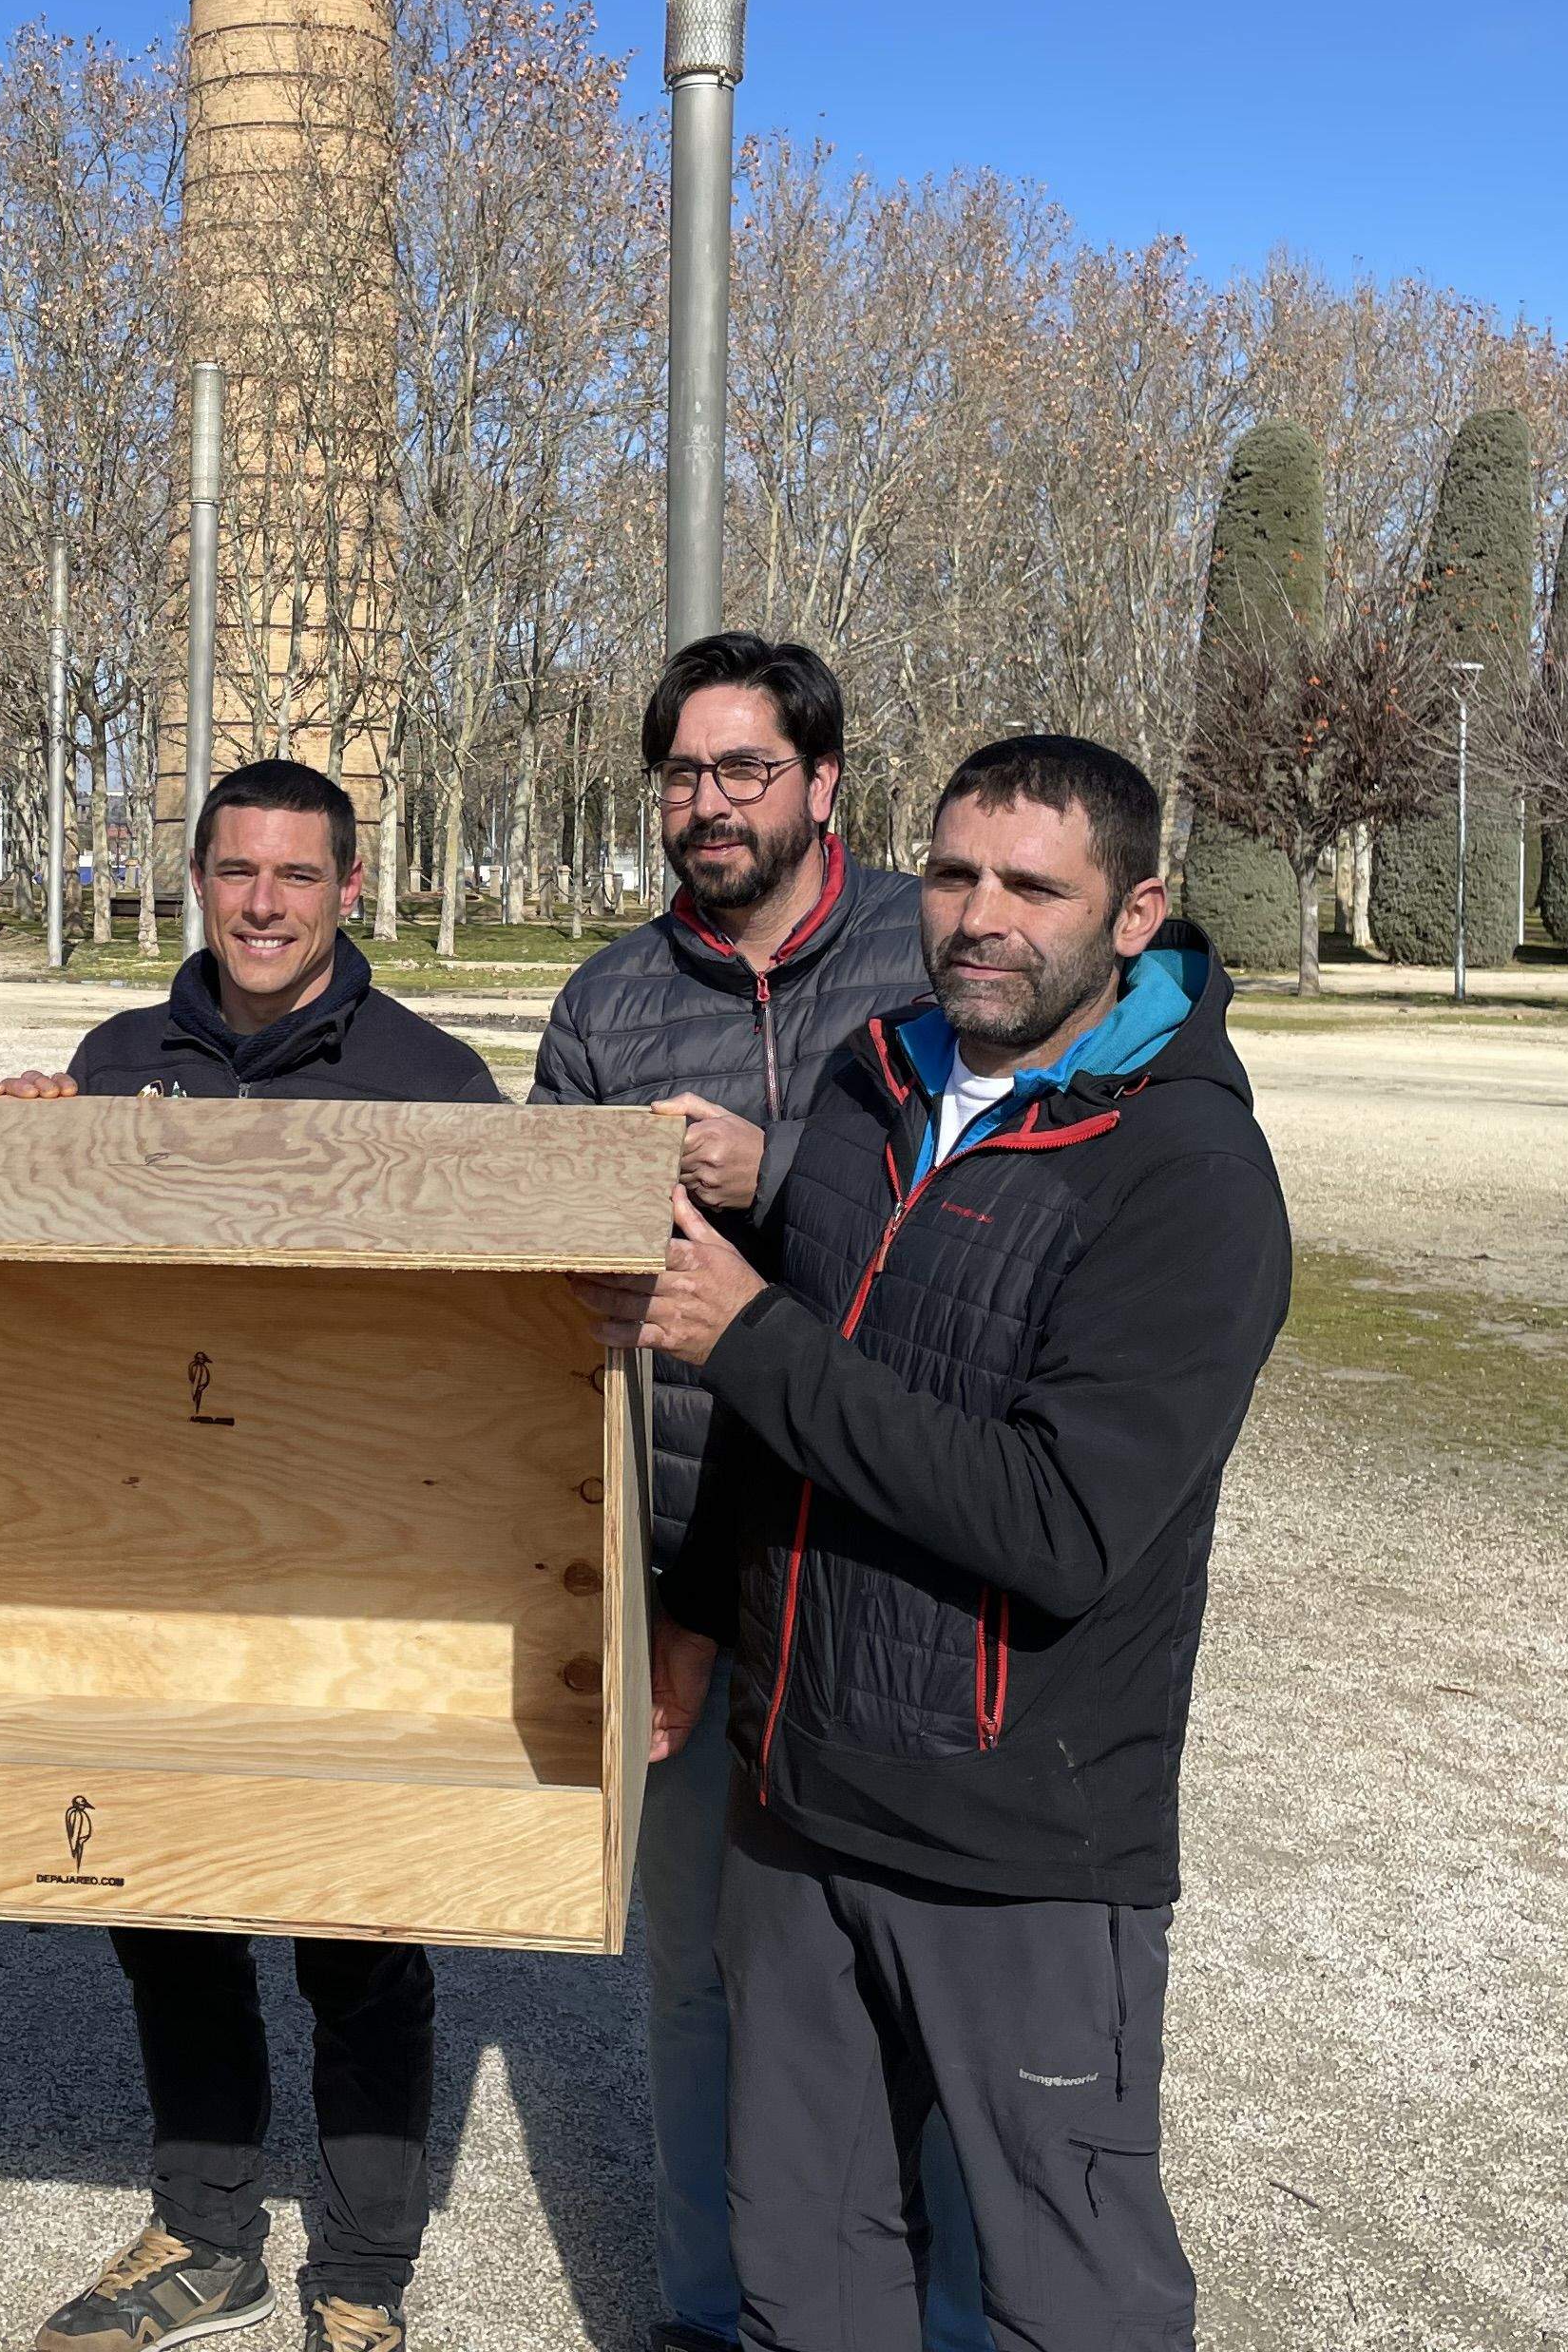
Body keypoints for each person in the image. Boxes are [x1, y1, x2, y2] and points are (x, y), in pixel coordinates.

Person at [576, 734, 1291, 2352]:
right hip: (798, 1792)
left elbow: (1062, 1522)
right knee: (809, 2262)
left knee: (1061, 2285)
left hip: (1014, 1840)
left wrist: (750, 1336)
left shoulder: (1188, 1173)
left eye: (1037, 888)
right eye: (957, 874)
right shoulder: (876, 1077)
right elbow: (778, 1416)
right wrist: (696, 1616)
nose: (983, 917)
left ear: (1136, 913)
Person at [0, 758, 498, 2352]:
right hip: (165, 1561)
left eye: (297, 874)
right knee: (170, 1906)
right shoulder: (117, 1059)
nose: (264, 904)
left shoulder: (434, 1084)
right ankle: (206, 2238)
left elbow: (498, 1344)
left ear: (351, 887)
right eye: (236, 871)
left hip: (359, 1572)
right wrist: (31, 1153)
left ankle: (361, 2276)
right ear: (198, 877)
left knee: (361, 1927)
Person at [526, 633, 981, 2352]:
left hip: (892, 1566)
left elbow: (987, 1226)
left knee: (919, 1989)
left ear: (824, 783)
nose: (709, 805)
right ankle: (709, 2313)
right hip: (677, 1568)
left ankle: (942, 2317)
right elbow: (546, 1305)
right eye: (683, 775)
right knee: (701, 1979)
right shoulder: (607, 1001)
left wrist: (777, 1173)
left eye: (745, 771)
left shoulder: (932, 959)